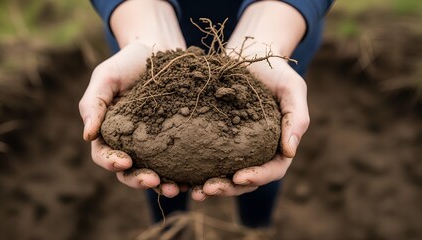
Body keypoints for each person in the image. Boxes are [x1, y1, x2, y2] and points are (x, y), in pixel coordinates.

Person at [79, 0, 333, 228]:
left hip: (279, 30)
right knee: (154, 174)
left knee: (263, 160)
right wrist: (143, 24)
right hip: (139, 28)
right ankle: (172, 228)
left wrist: (274, 22)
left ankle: (256, 228)